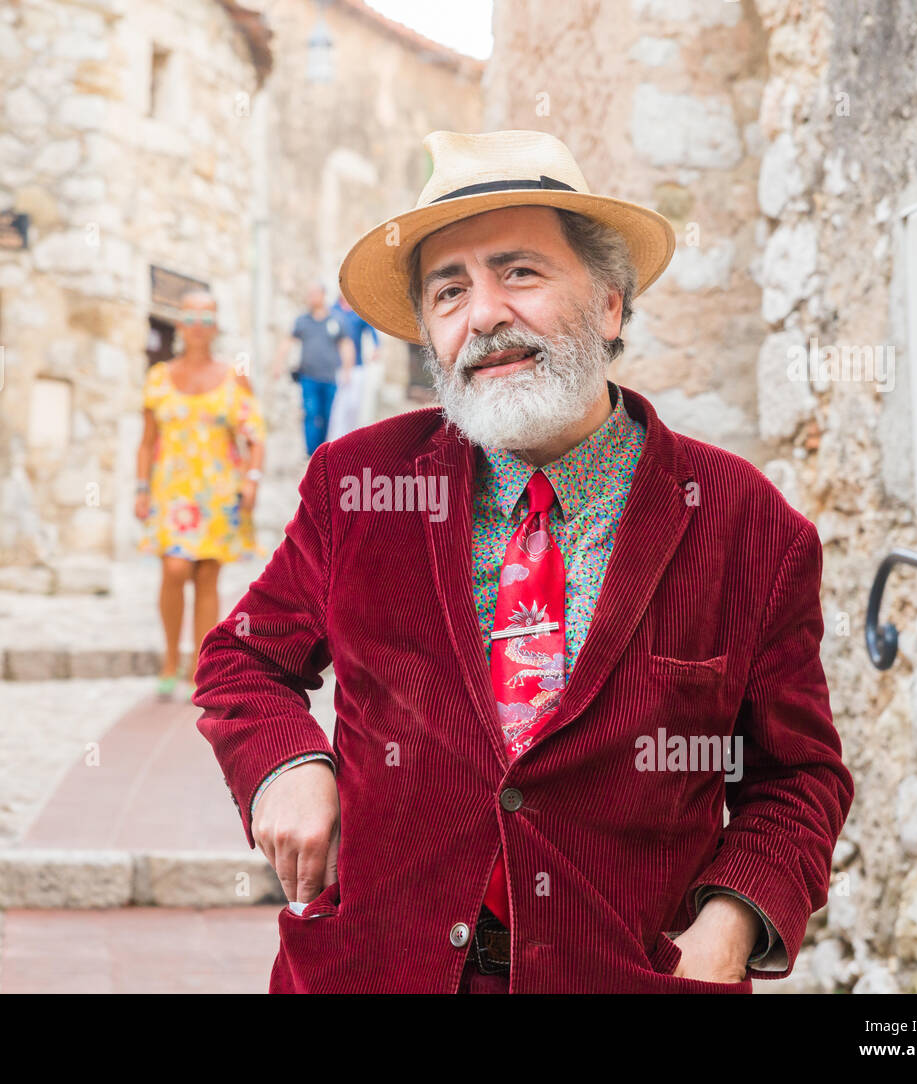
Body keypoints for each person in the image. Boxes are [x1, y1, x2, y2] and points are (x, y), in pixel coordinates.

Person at [194, 130, 852, 993]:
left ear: (610, 305)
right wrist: (288, 766)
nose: (485, 314)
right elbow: (242, 659)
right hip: (372, 970)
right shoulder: (356, 484)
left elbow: (797, 776)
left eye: (522, 273)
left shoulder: (747, 525)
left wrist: (731, 924)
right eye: (450, 290)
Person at [136, 290, 266, 698]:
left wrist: (252, 480)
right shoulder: (158, 378)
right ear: (179, 325)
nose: (198, 327)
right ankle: (170, 658)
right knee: (174, 569)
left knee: (208, 576)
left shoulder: (234, 377)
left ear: (216, 327)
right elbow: (146, 442)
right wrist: (141, 488)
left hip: (218, 492)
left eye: (206, 319)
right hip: (172, 492)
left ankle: (198, 665)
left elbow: (255, 437)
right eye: (191, 318)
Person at [275, 285, 353, 455]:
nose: (311, 298)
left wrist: (348, 370)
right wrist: (278, 364)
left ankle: (322, 449)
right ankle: (311, 452)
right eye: (309, 294)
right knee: (311, 412)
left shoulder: (336, 320)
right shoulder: (302, 321)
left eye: (314, 294)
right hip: (308, 376)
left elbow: (346, 345)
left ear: (323, 295)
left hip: (330, 377)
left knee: (326, 415)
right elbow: (288, 342)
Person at [325, 291, 380, 440]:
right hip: (336, 366)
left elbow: (372, 330)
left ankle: (350, 437)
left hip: (357, 366)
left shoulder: (358, 311)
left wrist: (376, 348)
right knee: (337, 406)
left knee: (354, 404)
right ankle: (335, 440)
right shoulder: (332, 310)